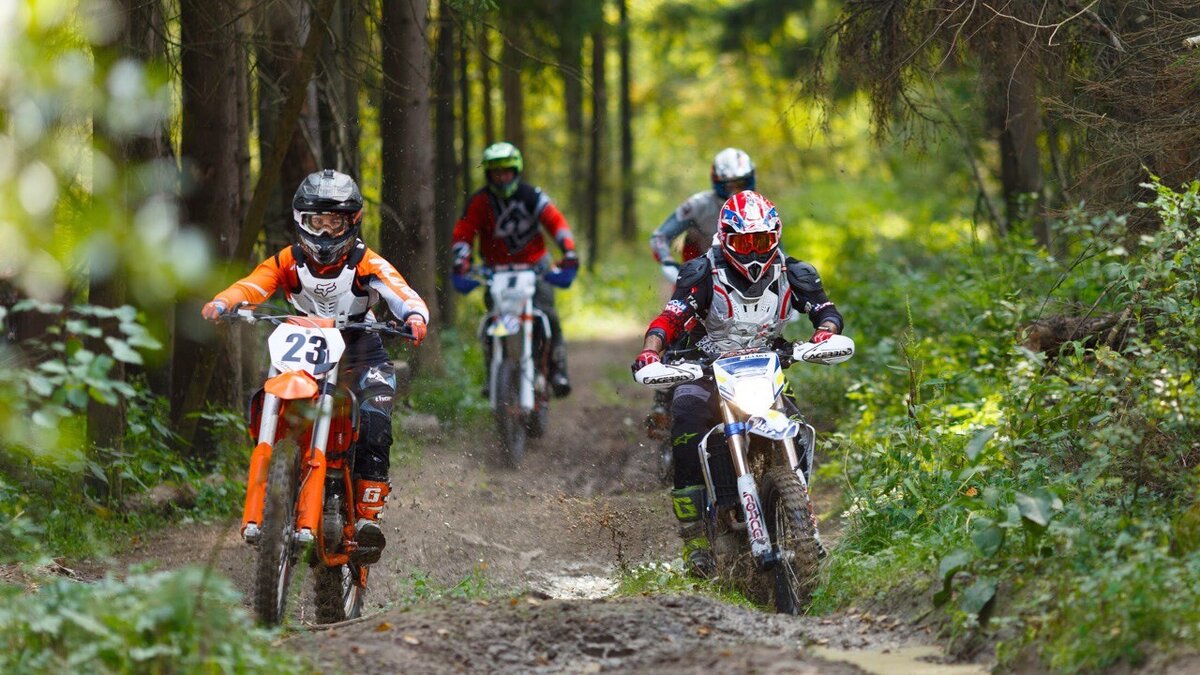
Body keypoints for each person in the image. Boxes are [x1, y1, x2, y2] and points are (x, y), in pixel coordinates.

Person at [201, 169, 429, 563]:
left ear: (351, 222)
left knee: (375, 418)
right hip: (303, 353)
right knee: (264, 401)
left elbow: (401, 291)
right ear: (301, 222)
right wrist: (224, 302)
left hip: (360, 352)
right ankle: (278, 489)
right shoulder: (287, 261)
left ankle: (366, 518)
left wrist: (414, 316)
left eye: (333, 223)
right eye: (316, 224)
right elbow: (254, 283)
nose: (324, 235)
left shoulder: (366, 263)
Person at [631, 190, 844, 577]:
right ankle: (693, 536)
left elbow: (825, 310)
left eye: (761, 241)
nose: (753, 251)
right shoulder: (702, 273)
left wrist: (825, 333)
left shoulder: (794, 273)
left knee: (796, 428)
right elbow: (670, 318)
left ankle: (802, 523)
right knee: (685, 415)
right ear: (726, 239)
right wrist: (651, 351)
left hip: (765, 372)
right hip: (707, 370)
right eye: (745, 241)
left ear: (775, 237)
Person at [451, 141, 578, 396]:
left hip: (535, 267)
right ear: (488, 174)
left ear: (516, 171)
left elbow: (556, 222)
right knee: (491, 322)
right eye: (496, 172)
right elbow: (463, 233)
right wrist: (461, 261)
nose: (501, 177)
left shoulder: (532, 195)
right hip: (495, 271)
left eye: (506, 171)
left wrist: (569, 251)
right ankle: (493, 375)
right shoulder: (479, 202)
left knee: (548, 314)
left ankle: (558, 370)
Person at [649, 147, 756, 284]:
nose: (736, 191)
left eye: (741, 184)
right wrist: (667, 261)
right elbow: (660, 236)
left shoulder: (760, 207)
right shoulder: (697, 205)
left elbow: (777, 250)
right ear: (718, 182)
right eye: (730, 186)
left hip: (749, 279)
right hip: (699, 280)